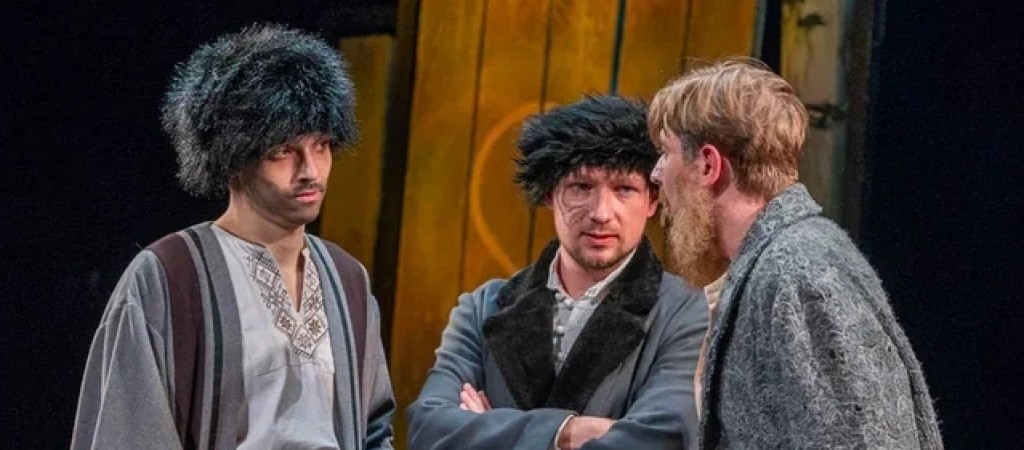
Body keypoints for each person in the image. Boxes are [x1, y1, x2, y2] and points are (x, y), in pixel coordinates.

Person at [71, 24, 395, 449]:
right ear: (232, 155)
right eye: (283, 151)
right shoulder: (170, 276)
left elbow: (374, 429)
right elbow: (128, 434)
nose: (310, 170)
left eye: (321, 146)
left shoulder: (347, 279)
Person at [648, 57, 942, 448]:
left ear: (707, 165)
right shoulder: (775, 264)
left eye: (665, 153)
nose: (656, 173)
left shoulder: (800, 274)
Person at [406, 95, 708, 450]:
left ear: (652, 201)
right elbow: (429, 429)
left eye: (624, 189)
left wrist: (489, 429)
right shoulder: (483, 307)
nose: (601, 213)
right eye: (581, 187)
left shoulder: (686, 314)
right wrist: (567, 432)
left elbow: (659, 441)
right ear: (550, 193)